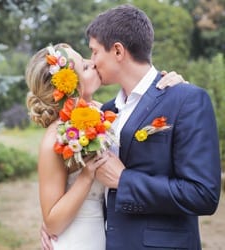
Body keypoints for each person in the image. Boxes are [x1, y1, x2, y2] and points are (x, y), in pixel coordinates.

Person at [84, 4, 221, 250]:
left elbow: (203, 194)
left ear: (117, 51)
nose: (92, 62)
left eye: (94, 52)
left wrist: (125, 180)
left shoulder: (186, 100)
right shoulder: (105, 111)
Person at [26, 43, 186, 250]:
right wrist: (86, 176)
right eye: (84, 66)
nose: (92, 63)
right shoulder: (55, 138)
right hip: (77, 241)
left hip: (110, 236)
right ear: (69, 88)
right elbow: (53, 223)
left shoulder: (106, 112)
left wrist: (177, 88)